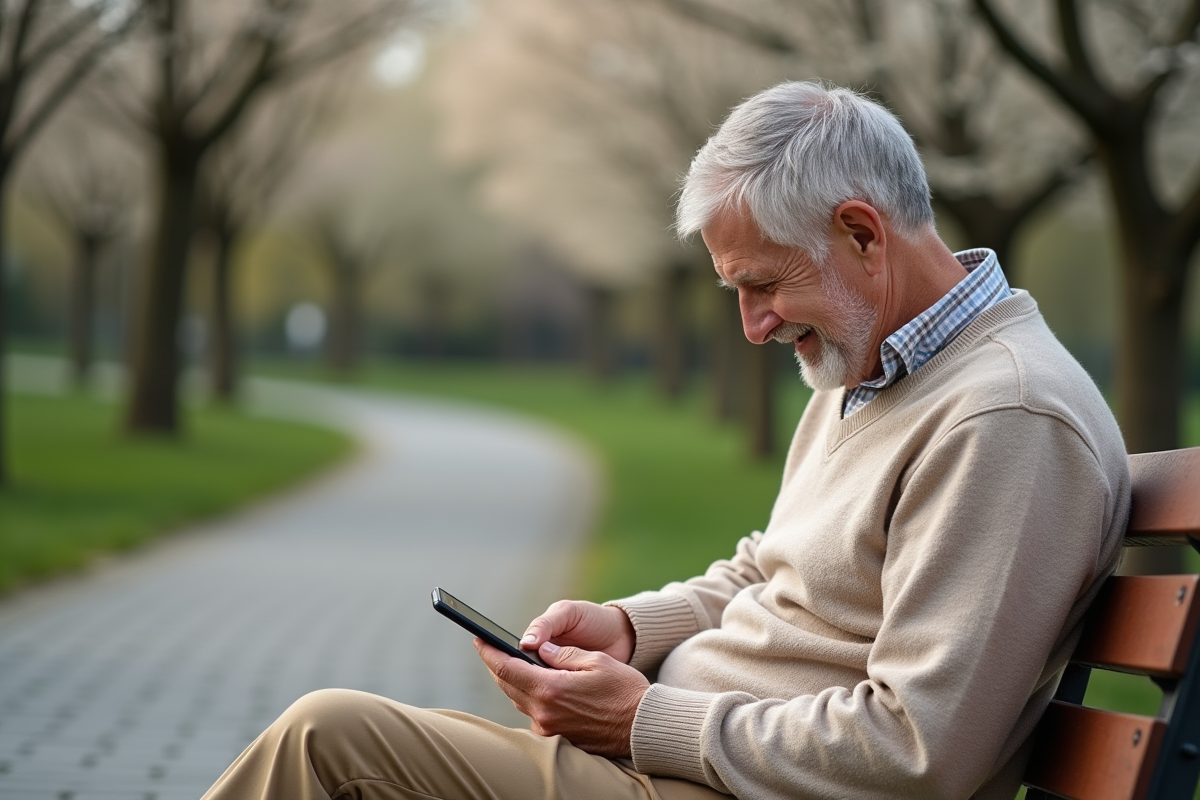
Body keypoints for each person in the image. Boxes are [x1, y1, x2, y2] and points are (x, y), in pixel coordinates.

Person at [202, 81, 1130, 800]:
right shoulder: (874, 365)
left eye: (762, 284)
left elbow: (918, 752)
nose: (752, 326)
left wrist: (646, 721)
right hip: (685, 770)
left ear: (861, 233)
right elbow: (769, 575)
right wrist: (632, 628)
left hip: (707, 783)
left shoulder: (1003, 418)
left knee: (325, 742)